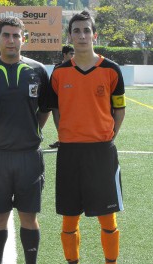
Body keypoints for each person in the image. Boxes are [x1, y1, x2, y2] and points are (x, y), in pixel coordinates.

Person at [0, 16, 51, 264]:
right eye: (6, 35)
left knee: (29, 217)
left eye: (16, 36)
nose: (11, 40)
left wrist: (31, 129)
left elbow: (44, 109)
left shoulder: (37, 71)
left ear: (23, 39)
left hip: (29, 155)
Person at [49, 11, 126, 264]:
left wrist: (108, 135)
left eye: (86, 30)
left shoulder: (111, 69)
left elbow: (119, 109)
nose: (82, 35)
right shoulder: (59, 73)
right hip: (70, 152)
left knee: (108, 219)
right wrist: (67, 133)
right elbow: (56, 109)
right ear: (69, 35)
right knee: (69, 218)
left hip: (101, 152)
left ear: (95, 34)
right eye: (76, 31)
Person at [49, 45, 74, 149]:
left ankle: (72, 138)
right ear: (65, 54)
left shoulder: (77, 66)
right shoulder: (58, 67)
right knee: (56, 113)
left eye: (74, 54)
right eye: (71, 54)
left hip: (70, 97)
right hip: (58, 96)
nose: (73, 56)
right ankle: (62, 138)